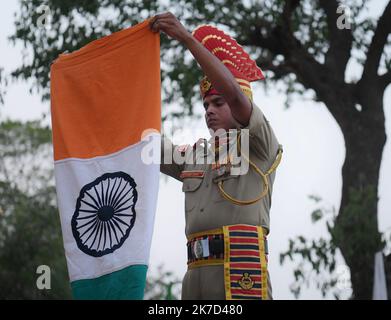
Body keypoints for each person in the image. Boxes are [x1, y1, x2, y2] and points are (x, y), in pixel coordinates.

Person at [150, 12, 282, 300]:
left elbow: (235, 95)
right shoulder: (196, 154)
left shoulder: (259, 143)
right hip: (194, 276)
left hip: (240, 274)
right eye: (206, 104)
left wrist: (187, 39)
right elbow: (147, 144)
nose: (209, 109)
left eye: (217, 102)